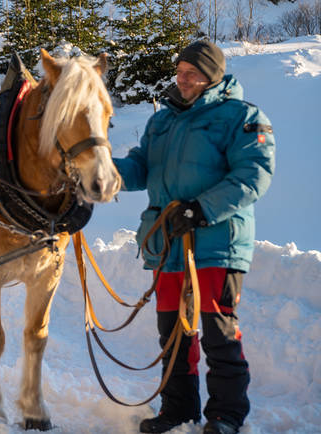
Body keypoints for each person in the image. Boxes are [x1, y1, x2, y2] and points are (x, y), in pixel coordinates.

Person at [112, 40, 275, 434]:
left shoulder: (242, 116)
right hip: (168, 245)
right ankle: (178, 410)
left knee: (218, 332)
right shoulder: (161, 121)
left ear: (211, 76)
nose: (181, 80)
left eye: (191, 73)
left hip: (217, 243)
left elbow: (254, 174)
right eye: (179, 72)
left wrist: (201, 209)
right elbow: (139, 167)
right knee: (172, 335)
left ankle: (226, 416)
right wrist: (102, 171)